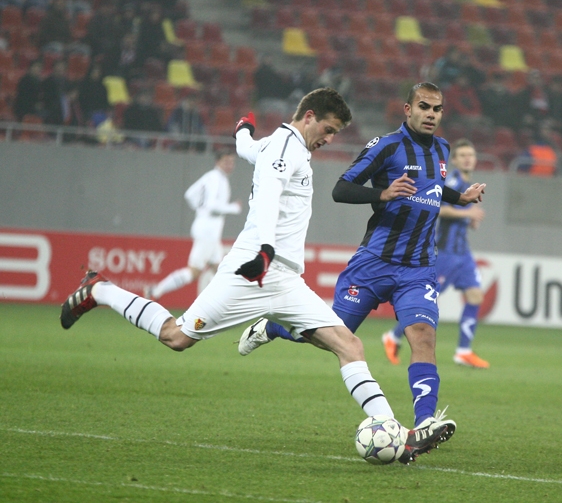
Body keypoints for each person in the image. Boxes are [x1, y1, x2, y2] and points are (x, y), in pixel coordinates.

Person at [59, 88, 447, 464]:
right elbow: (268, 198)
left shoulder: (278, 145)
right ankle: (101, 290)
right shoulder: (284, 147)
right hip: (253, 271)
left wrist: (242, 131)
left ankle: (394, 432)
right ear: (309, 116)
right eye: (328, 130)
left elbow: (247, 148)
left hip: (286, 280)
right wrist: (264, 250)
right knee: (176, 337)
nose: (329, 139)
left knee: (349, 345)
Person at [242, 82, 486, 441]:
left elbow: (433, 185)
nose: (431, 114)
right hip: (374, 263)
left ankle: (424, 422)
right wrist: (382, 193)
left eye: (437, 109)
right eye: (424, 107)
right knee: (332, 336)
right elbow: (341, 189)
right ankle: (272, 328)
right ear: (408, 109)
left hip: (418, 267)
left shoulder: (442, 149)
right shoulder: (386, 146)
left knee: (423, 336)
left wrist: (460, 198)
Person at [382, 138, 489, 368]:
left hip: (463, 252)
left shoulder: (467, 183)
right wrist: (467, 214)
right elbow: (436, 206)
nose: (467, 159)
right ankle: (393, 336)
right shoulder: (453, 180)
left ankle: (463, 351)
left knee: (475, 296)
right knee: (428, 299)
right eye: (462, 155)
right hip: (446, 252)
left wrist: (471, 219)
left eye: (471, 155)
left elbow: (462, 213)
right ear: (455, 160)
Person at [145, 151, 241, 301]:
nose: (230, 165)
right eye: (226, 161)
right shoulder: (216, 178)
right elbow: (211, 206)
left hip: (208, 230)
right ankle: (156, 290)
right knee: (194, 272)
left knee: (219, 269)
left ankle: (224, 303)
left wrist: (200, 209)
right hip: (208, 231)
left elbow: (189, 194)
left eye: (232, 162)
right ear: (217, 162)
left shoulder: (212, 177)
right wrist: (233, 208)